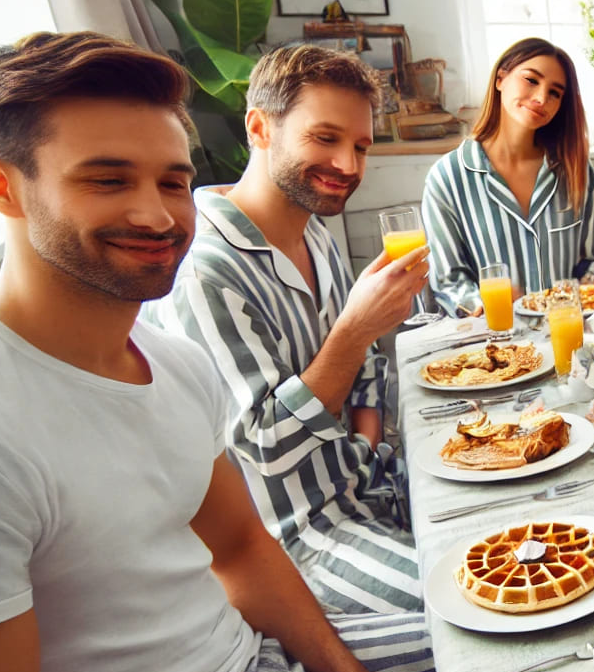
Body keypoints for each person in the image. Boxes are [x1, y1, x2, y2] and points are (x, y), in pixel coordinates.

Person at [0, 31, 466, 672]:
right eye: (107, 179)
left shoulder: (170, 363)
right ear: (2, 187)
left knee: (501, 651)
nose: (157, 214)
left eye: (174, 181)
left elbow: (242, 549)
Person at [155, 45, 428, 615]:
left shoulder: (315, 232)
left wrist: (367, 446)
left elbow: (370, 371)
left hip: (369, 484)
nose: (348, 166)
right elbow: (268, 448)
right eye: (324, 139)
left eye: (359, 146)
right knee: (476, 621)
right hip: (300, 542)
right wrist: (354, 330)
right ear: (259, 128)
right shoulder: (205, 273)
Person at [423, 37, 594, 315]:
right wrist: (486, 304)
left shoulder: (577, 171)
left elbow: (593, 259)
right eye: (531, 80)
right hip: (496, 346)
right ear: (500, 78)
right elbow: (449, 280)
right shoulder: (447, 178)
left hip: (571, 338)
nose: (542, 98)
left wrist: (580, 300)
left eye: (555, 93)